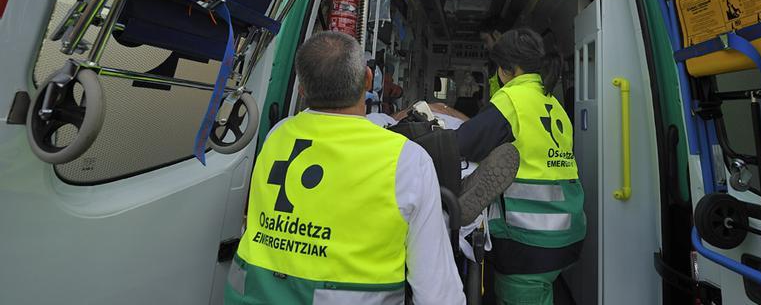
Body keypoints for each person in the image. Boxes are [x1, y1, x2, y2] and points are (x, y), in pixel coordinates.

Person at [225, 31, 466, 305]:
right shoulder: (406, 159)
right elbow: (438, 293)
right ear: (367, 79)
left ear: (302, 88)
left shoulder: (277, 135)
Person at [455, 27, 586, 305]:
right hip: (567, 230)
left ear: (505, 70)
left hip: (528, 240)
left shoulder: (513, 101)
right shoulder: (551, 101)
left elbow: (464, 142)